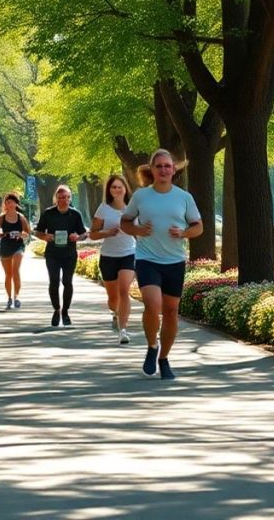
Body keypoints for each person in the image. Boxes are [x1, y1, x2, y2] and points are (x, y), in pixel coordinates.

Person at [120, 149, 203, 380]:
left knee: (170, 311)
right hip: (147, 259)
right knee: (153, 305)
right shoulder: (140, 196)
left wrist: (184, 233)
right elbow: (125, 222)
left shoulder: (184, 197)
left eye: (167, 166)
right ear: (152, 170)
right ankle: (151, 345)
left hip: (174, 261)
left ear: (174, 170)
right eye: (159, 166)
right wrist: (137, 230)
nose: (164, 170)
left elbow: (199, 226)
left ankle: (164, 358)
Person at [90, 174, 137, 344]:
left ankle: (123, 330)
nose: (117, 190)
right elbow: (93, 234)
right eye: (113, 187)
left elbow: (139, 231)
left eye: (119, 187)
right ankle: (115, 312)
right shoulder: (103, 209)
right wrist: (107, 233)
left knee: (124, 290)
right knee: (113, 299)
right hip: (108, 256)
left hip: (129, 253)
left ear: (125, 188)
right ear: (109, 191)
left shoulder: (133, 208)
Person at [34, 185, 88, 327]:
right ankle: (56, 309)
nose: (63, 200)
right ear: (56, 199)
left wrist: (77, 237)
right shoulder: (48, 213)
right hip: (52, 253)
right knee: (54, 282)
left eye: (66, 197)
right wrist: (46, 236)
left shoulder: (75, 214)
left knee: (67, 282)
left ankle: (65, 311)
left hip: (69, 254)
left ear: (70, 198)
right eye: (60, 198)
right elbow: (38, 232)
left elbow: (84, 234)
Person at [0, 192, 31, 309]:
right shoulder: (1, 218)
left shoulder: (21, 218)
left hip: (18, 246)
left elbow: (27, 232)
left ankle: (17, 296)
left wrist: (21, 234)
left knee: (15, 271)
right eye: (7, 202)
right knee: (8, 274)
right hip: (5, 247)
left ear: (16, 204)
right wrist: (4, 234)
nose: (8, 204)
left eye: (11, 202)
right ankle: (9, 298)